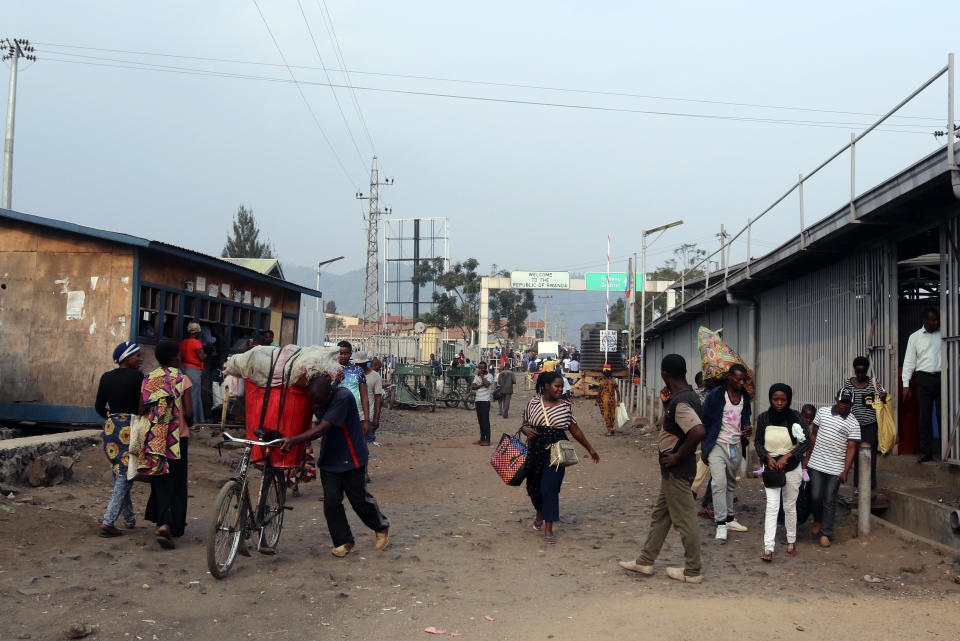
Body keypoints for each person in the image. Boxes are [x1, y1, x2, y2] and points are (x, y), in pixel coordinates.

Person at [618, 354, 705, 583]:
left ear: (665, 374)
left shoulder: (682, 401)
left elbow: (697, 431)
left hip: (677, 469)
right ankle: (645, 561)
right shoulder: (682, 397)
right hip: (673, 470)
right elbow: (679, 426)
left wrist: (677, 455)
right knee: (661, 515)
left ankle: (693, 570)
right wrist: (667, 405)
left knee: (685, 520)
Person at [280, 376, 389, 557]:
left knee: (359, 500)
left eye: (320, 402)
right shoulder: (318, 399)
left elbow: (323, 427)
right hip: (330, 457)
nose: (317, 406)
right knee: (331, 502)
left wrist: (293, 440)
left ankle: (381, 526)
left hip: (351, 456)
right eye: (314, 402)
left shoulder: (343, 397)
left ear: (329, 394)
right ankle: (344, 541)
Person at [520, 371, 599, 544]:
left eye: (562, 386)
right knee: (533, 488)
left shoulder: (565, 406)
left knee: (550, 488)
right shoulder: (533, 403)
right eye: (557, 386)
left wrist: (590, 448)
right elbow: (525, 423)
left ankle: (549, 526)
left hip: (556, 453)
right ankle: (539, 511)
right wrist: (525, 429)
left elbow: (575, 430)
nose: (560, 390)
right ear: (546, 386)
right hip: (534, 451)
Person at [139, 342, 193, 549]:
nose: (180, 358)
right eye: (178, 355)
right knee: (177, 482)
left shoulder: (149, 378)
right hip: (177, 438)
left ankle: (161, 521)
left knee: (159, 480)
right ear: (173, 359)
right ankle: (171, 525)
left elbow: (141, 408)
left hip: (155, 438)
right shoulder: (182, 378)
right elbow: (188, 412)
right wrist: (190, 423)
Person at [754, 383, 810, 561]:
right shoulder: (763, 418)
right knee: (772, 506)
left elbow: (806, 442)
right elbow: (758, 443)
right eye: (775, 399)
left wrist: (787, 457)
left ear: (788, 400)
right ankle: (768, 548)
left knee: (789, 505)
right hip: (771, 468)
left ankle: (791, 540)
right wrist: (767, 458)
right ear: (770, 399)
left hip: (792, 466)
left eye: (783, 400)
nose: (779, 403)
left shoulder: (796, 417)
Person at [94, 341, 144, 537]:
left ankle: (129, 518)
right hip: (131, 426)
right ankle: (108, 521)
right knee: (126, 473)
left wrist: (112, 418)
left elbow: (99, 407)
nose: (140, 359)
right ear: (127, 357)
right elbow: (143, 404)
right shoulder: (138, 377)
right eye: (137, 355)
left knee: (120, 471)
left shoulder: (106, 377)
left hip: (111, 427)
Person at [700, 363, 752, 541]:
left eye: (743, 379)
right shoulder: (716, 396)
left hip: (735, 445)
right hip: (717, 444)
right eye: (737, 378)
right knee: (718, 483)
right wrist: (703, 447)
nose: (741, 382)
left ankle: (729, 517)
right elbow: (705, 421)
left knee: (730, 483)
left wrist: (747, 428)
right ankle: (721, 523)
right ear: (729, 377)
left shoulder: (745, 396)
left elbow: (745, 419)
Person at [804, 388, 861, 548]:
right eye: (842, 402)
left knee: (829, 499)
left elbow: (851, 448)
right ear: (836, 399)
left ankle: (826, 533)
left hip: (836, 467)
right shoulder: (822, 413)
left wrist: (845, 470)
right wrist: (807, 457)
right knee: (815, 496)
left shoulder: (853, 423)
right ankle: (817, 520)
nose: (844, 406)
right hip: (816, 463)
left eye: (848, 404)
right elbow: (813, 435)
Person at [901, 308, 941, 462]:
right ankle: (927, 452)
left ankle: (948, 450)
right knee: (924, 416)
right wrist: (906, 385)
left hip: (942, 377)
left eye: (937, 319)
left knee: (943, 415)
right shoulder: (915, 337)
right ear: (924, 320)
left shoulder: (944, 335)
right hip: (923, 379)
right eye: (933, 320)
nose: (936, 322)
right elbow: (909, 361)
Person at [842, 356, 887, 491]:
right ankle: (857, 484)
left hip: (870, 425)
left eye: (863, 372)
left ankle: (870, 484)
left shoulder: (874, 383)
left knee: (870, 454)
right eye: (858, 372)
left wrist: (883, 396)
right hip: (854, 425)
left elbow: (882, 399)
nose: (860, 375)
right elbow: (844, 400)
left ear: (867, 370)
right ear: (854, 371)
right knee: (855, 453)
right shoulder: (848, 384)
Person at [336, 341, 371, 436]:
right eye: (340, 353)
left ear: (350, 354)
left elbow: (364, 396)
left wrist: (367, 420)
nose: (343, 356)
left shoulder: (358, 370)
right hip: (334, 413)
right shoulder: (330, 369)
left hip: (352, 413)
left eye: (346, 353)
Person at [179, 322, 205, 423]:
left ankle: (191, 418)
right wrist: (206, 355)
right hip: (193, 369)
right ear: (197, 333)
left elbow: (180, 357)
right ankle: (194, 419)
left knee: (186, 393)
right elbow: (201, 357)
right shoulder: (196, 342)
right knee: (194, 394)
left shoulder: (183, 343)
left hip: (184, 367)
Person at [361, 354, 383, 444]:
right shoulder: (355, 374)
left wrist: (377, 417)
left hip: (369, 409)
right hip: (358, 411)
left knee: (368, 435)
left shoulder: (375, 376)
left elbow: (378, 397)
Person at [471, 361, 495, 445]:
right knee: (480, 421)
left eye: (482, 368)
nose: (480, 369)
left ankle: (487, 440)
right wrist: (481, 385)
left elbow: (487, 384)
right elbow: (473, 387)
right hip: (478, 400)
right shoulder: (476, 377)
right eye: (479, 368)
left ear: (485, 368)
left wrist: (481, 376)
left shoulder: (490, 376)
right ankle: (482, 439)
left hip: (485, 401)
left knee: (485, 421)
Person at [596, 366, 621, 436]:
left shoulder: (602, 382)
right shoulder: (614, 381)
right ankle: (612, 427)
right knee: (612, 414)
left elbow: (599, 392)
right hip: (612, 399)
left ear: (604, 375)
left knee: (606, 415)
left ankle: (609, 431)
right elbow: (617, 392)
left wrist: (597, 400)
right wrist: (619, 400)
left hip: (605, 400)